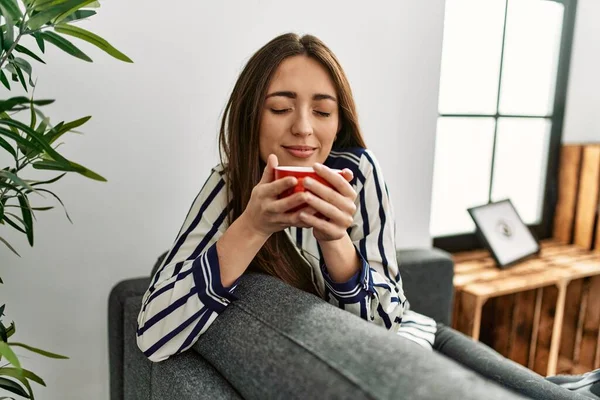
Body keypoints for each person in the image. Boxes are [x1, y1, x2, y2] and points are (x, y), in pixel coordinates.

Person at [136, 32, 600, 399]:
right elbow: (153, 334)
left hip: (410, 331)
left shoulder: (356, 172)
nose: (303, 127)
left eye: (322, 111)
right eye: (280, 107)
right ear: (250, 117)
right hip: (381, 359)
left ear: (338, 122)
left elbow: (389, 316)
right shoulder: (229, 186)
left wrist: (337, 242)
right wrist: (253, 225)